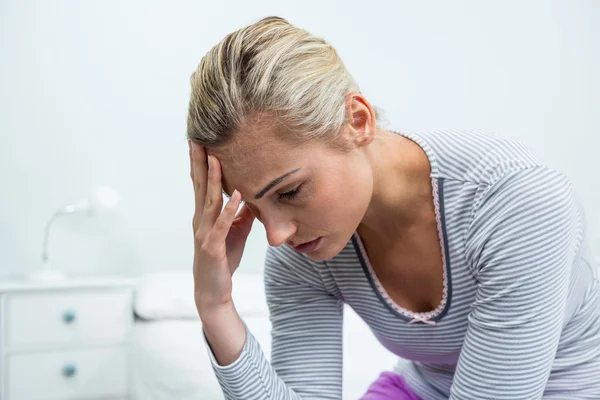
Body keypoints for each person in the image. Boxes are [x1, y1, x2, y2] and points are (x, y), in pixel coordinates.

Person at [186, 16, 600, 400]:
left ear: (358, 121)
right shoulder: (303, 253)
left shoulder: (516, 198)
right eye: (252, 208)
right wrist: (216, 308)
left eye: (290, 192)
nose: (276, 236)